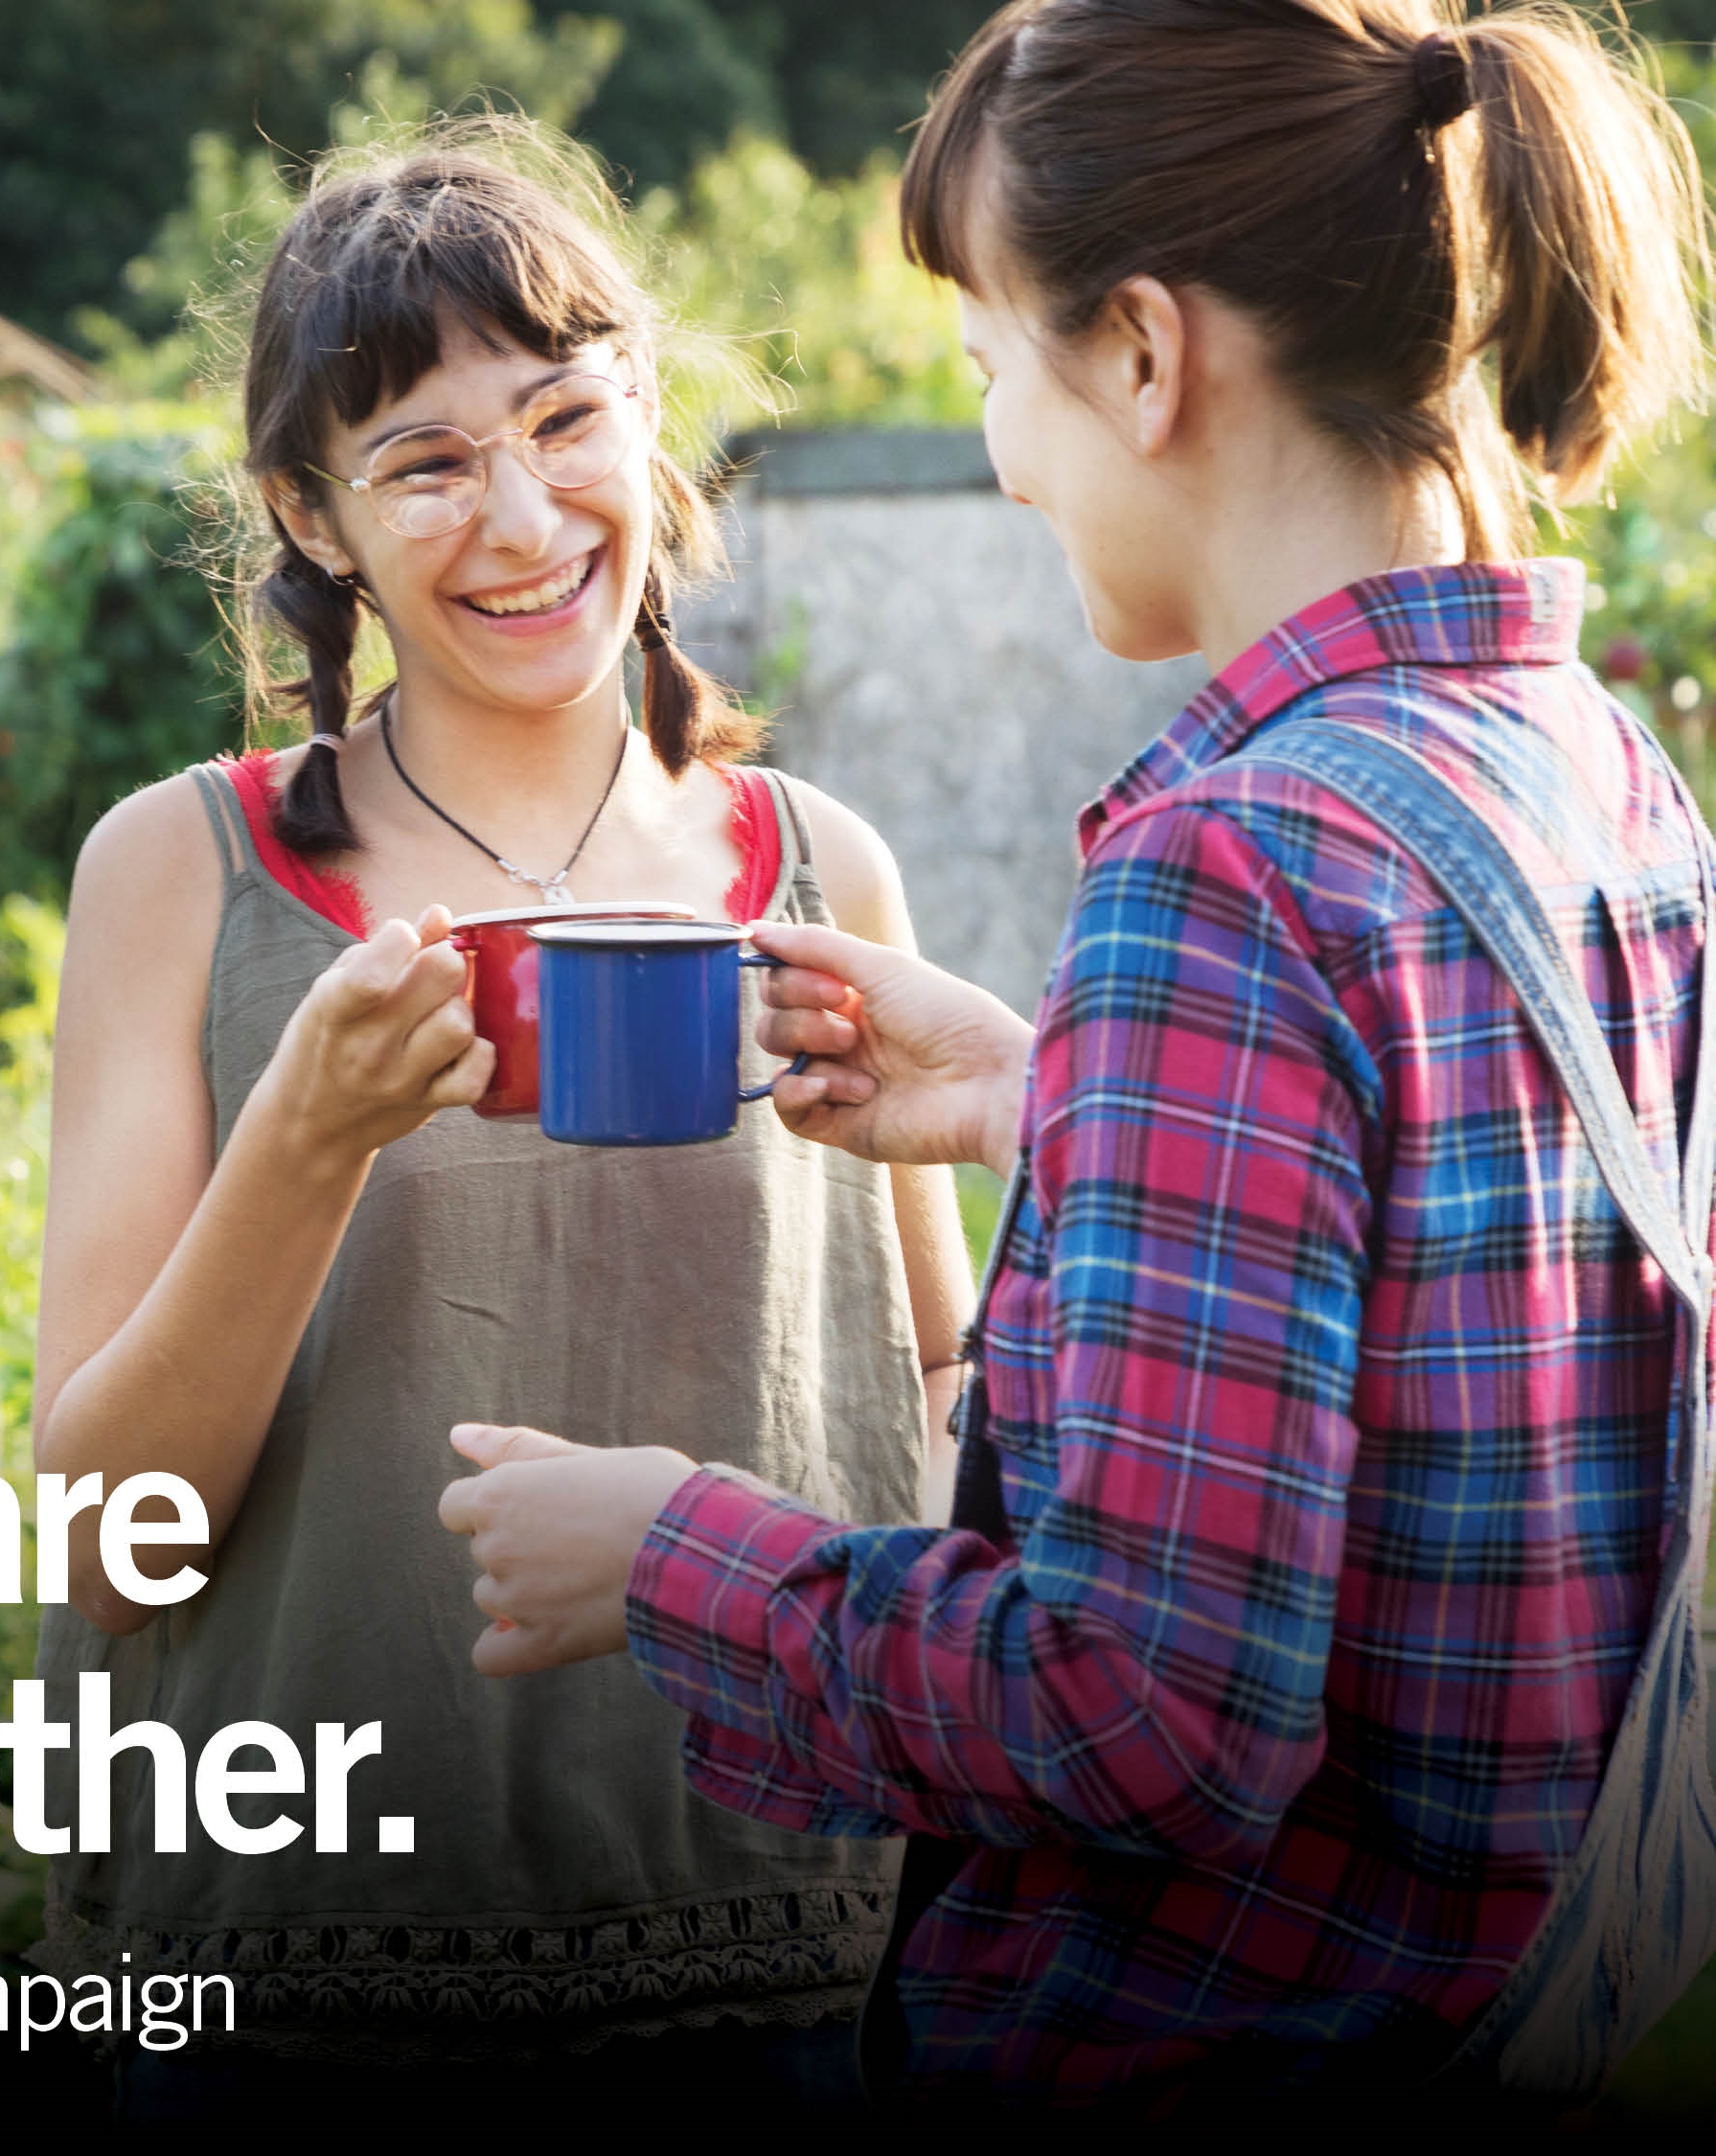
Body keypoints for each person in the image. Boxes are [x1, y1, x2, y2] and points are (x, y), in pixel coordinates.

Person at [442, 0, 1716, 2110]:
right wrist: (1067, 1098)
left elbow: (1149, 1715)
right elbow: (1484, 1291)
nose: (1002, 449)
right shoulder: (1605, 788)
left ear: (1140, 353)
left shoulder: (1233, 872)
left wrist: (671, 1554)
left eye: (990, 372)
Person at [30, 123, 974, 2113]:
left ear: (652, 430)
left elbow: (956, 1419)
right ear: (315, 515)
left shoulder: (825, 873)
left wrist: (1039, 1126)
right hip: (285, 2005)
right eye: (427, 462)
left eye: (567, 420)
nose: (526, 515)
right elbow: (112, 1548)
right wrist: (307, 1139)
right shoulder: (184, 874)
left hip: (783, 1980)